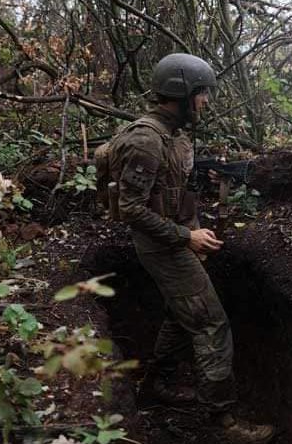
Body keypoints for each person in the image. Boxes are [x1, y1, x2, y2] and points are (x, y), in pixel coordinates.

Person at [107, 53, 274, 443]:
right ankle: (224, 421)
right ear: (180, 94)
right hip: (161, 246)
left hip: (174, 239)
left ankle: (157, 386)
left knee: (182, 313)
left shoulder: (174, 135)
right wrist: (187, 238)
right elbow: (130, 209)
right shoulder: (147, 140)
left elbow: (174, 195)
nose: (206, 101)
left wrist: (192, 231)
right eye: (201, 94)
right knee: (211, 323)